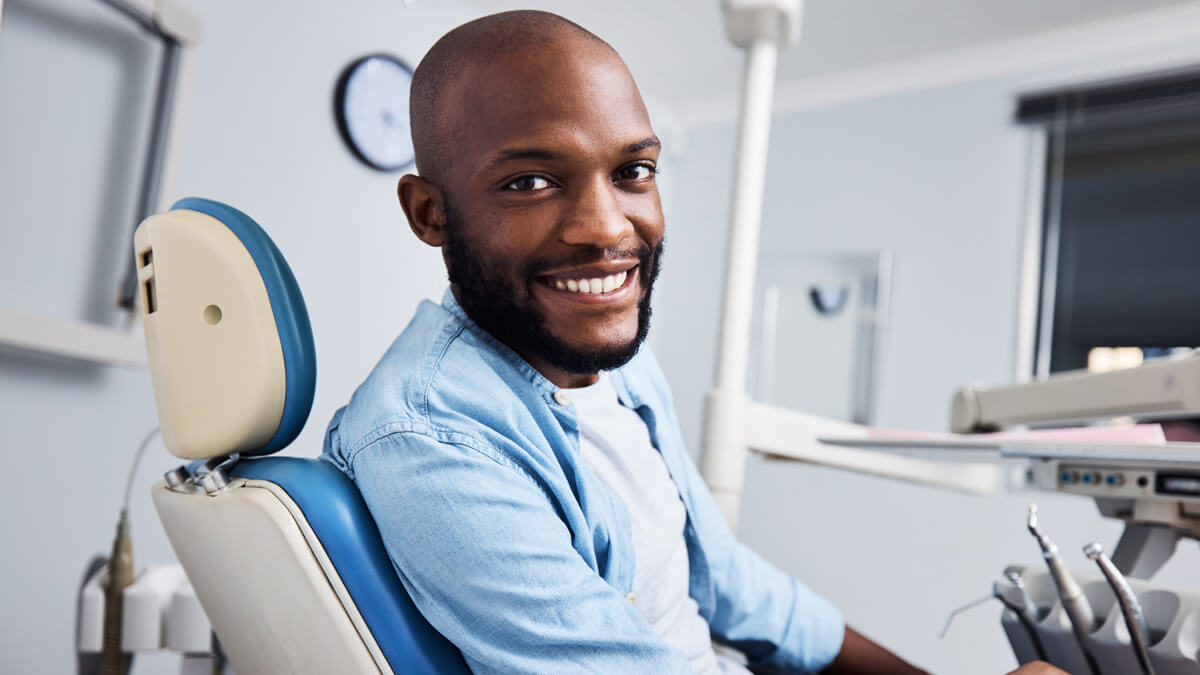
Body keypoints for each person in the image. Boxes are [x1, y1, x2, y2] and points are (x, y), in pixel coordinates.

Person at [322, 10, 1065, 675]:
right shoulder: (431, 440)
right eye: (530, 182)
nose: (609, 228)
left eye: (632, 171)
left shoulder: (619, 366)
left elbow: (736, 586)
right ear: (430, 214)